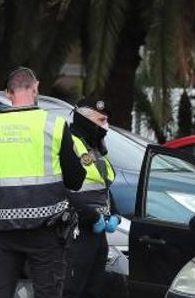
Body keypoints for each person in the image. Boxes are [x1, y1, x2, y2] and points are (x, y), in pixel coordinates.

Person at [0, 67, 86, 298]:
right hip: (46, 231)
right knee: (47, 292)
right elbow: (76, 180)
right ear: (36, 88)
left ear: (8, 93)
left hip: (1, 232)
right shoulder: (53, 125)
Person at [64, 100, 118, 298]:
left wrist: (116, 214)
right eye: (101, 120)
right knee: (72, 289)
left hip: (98, 232)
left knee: (94, 289)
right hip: (77, 229)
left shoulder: (94, 147)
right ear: (86, 120)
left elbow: (102, 186)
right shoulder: (70, 143)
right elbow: (63, 188)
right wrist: (91, 216)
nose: (106, 125)